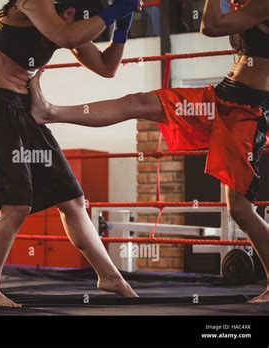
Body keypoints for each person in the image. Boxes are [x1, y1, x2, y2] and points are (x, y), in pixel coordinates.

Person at [30, 0, 269, 303]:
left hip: (248, 110)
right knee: (138, 102)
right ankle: (49, 111)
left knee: (239, 209)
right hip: (221, 97)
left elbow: (210, 26)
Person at [0, 0, 143, 308]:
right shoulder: (36, 5)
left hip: (26, 111)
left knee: (73, 200)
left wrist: (121, 28)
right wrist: (114, 10)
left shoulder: (65, 23)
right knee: (17, 205)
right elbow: (67, 37)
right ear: (71, 13)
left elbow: (107, 68)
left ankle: (109, 276)